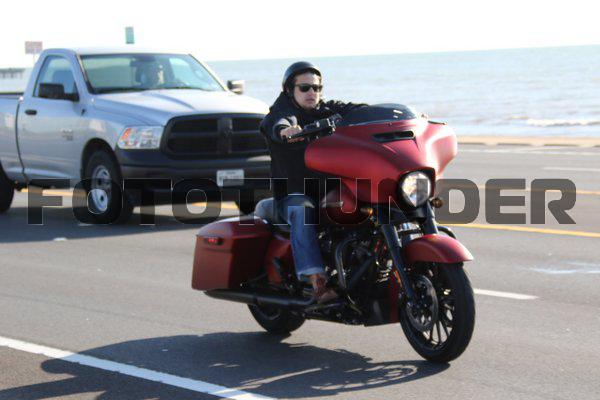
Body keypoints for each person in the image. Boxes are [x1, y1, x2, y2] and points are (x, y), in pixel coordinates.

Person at [260, 61, 364, 303]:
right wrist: (286, 131)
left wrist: (402, 116)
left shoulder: (326, 109)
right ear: (290, 90)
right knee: (303, 210)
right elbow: (277, 124)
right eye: (305, 88)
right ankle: (317, 281)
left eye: (317, 88)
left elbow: (360, 110)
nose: (312, 93)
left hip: (329, 191)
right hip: (294, 195)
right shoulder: (281, 112)